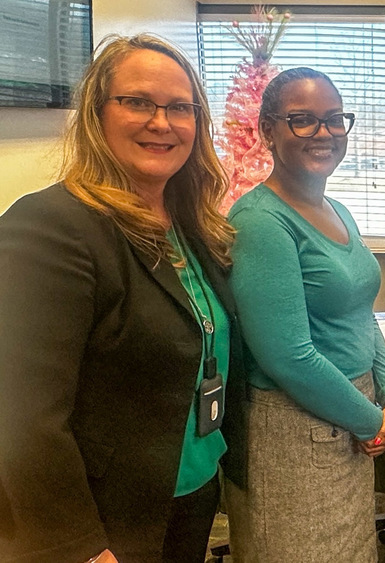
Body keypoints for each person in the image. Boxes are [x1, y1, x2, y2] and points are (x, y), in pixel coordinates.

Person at [0, 34, 243, 562]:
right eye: (138, 102)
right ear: (95, 112)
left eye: (181, 108)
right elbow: (22, 415)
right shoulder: (50, 227)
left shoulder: (192, 225)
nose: (162, 122)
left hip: (189, 492)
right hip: (103, 518)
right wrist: (79, 547)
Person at [222, 67, 385, 563]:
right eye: (302, 120)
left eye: (334, 119)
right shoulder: (260, 222)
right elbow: (289, 357)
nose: (323, 133)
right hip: (292, 432)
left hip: (351, 413)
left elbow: (361, 312)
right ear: (267, 130)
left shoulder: (338, 210)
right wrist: (373, 420)